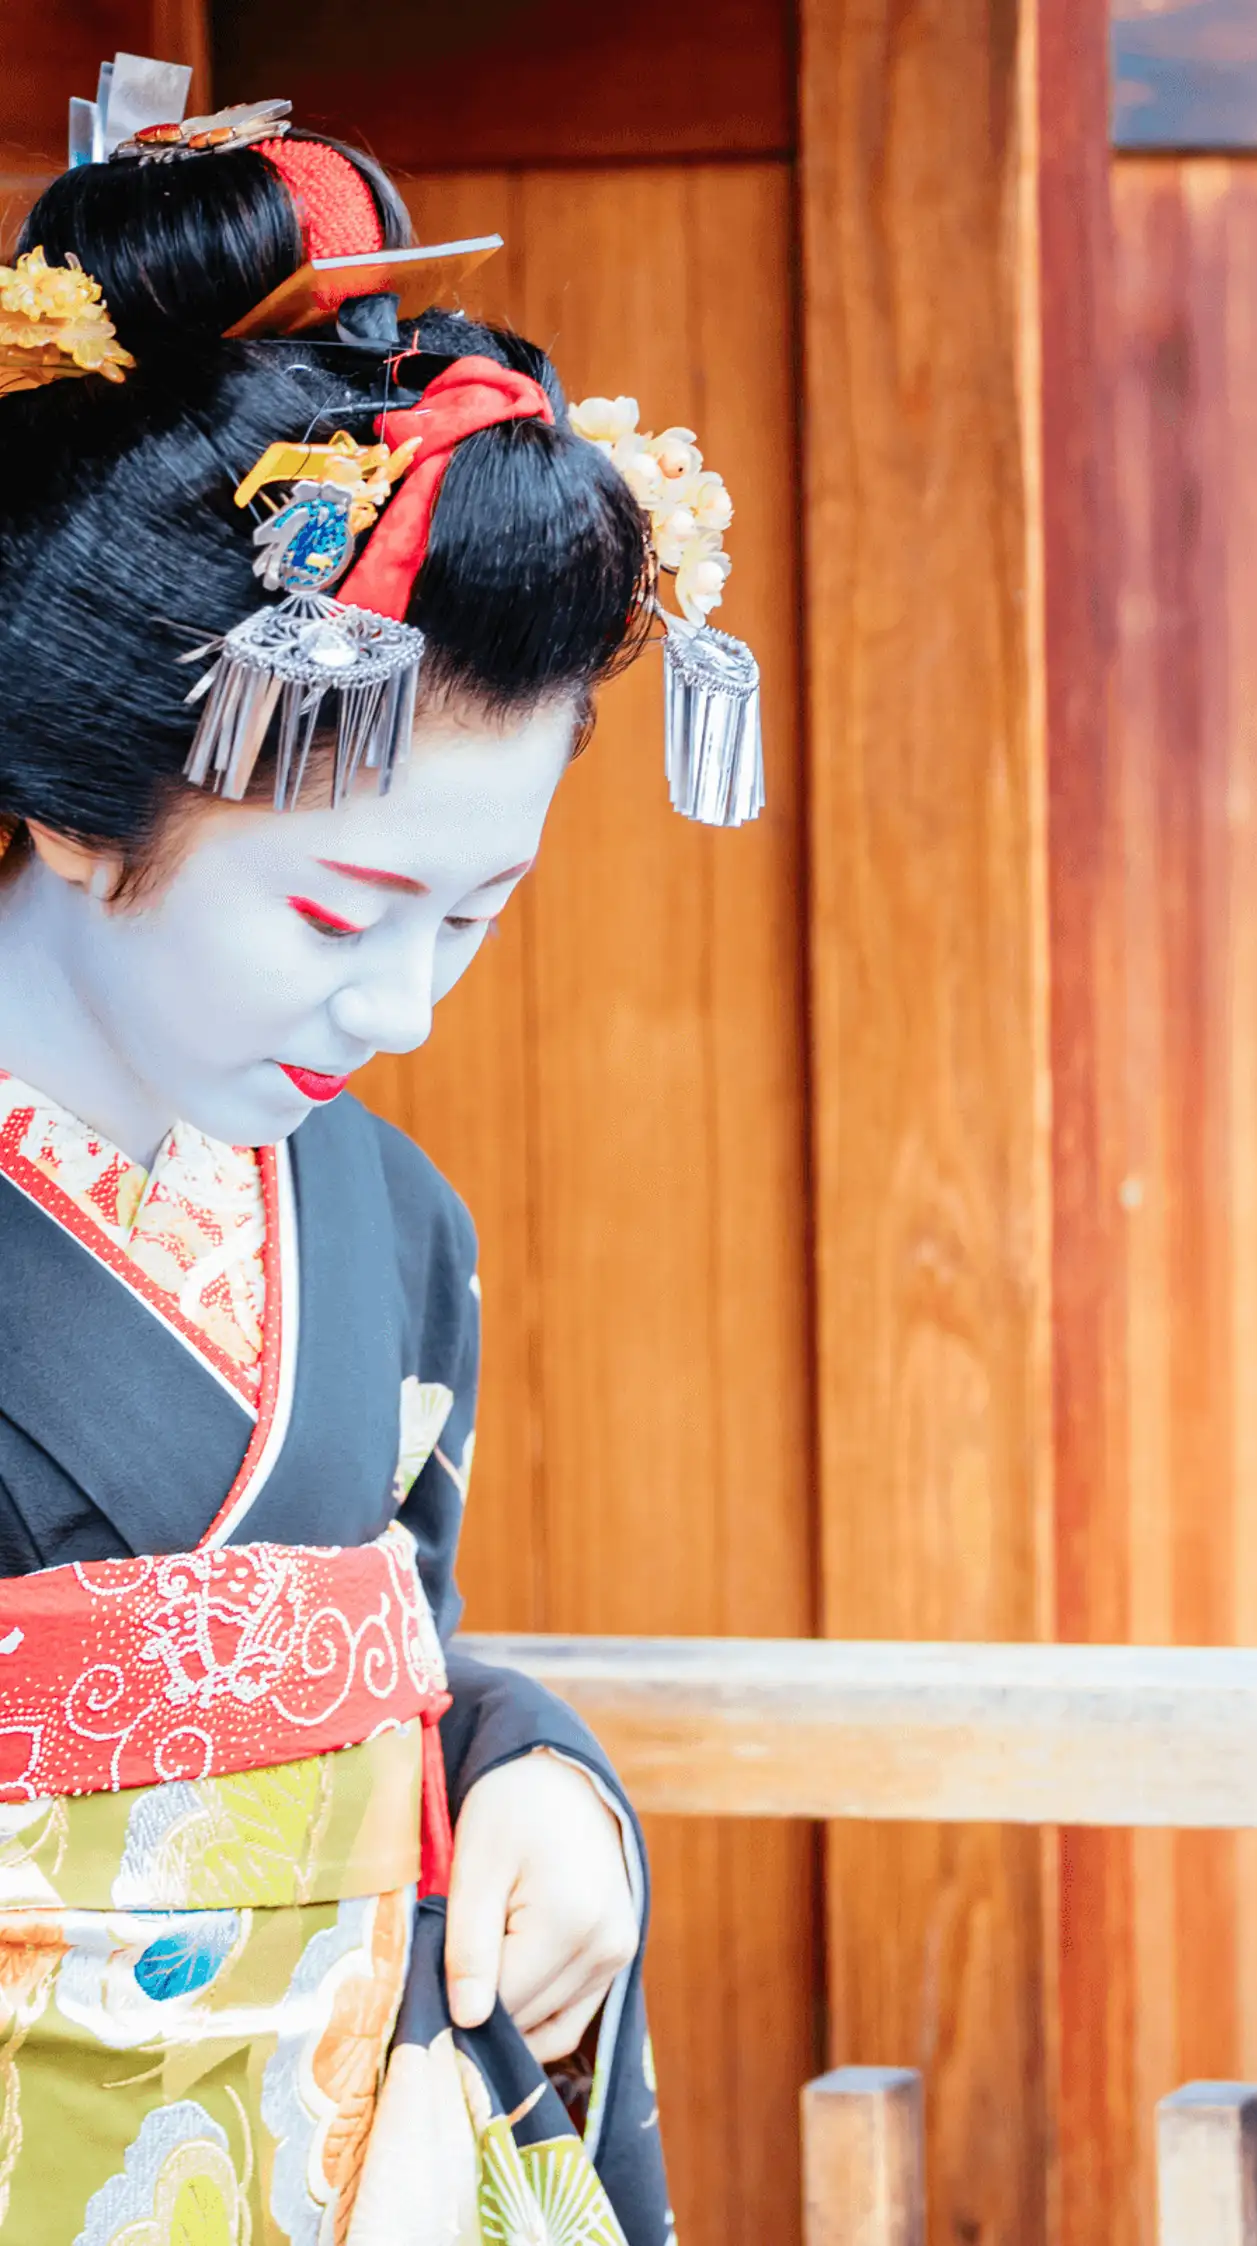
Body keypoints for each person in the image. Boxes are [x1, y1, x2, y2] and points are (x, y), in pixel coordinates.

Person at [0, 68, 746, 2245]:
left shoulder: (389, 1224)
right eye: (343, 911)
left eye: (473, 913)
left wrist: (530, 1773)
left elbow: (389, 1654)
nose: (405, 1006)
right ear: (73, 807)